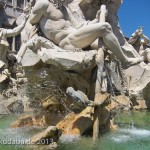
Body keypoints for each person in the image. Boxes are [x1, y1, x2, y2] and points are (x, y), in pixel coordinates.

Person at [26, 0, 143, 66]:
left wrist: (96, 19)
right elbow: (30, 22)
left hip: (76, 36)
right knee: (105, 27)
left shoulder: (64, 9)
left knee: (108, 47)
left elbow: (79, 26)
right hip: (66, 42)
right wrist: (32, 40)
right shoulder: (43, 4)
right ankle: (125, 61)